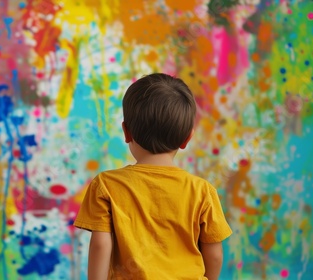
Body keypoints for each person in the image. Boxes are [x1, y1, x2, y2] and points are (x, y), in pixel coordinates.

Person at [74, 73, 232, 280]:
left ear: (126, 132)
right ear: (187, 138)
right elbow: (214, 255)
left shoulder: (106, 185)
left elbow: (100, 245)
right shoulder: (202, 191)